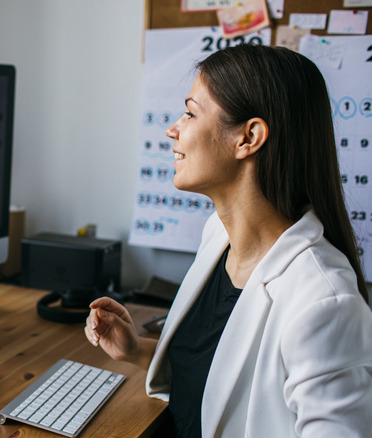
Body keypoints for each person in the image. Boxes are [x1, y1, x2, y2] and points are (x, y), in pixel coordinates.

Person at [84, 44, 371, 438]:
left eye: (189, 112)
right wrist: (138, 350)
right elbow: (223, 380)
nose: (173, 129)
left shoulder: (324, 303)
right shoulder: (218, 236)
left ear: (248, 137)